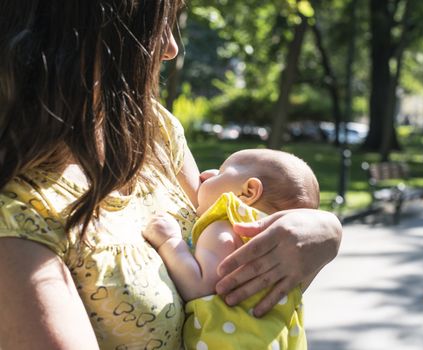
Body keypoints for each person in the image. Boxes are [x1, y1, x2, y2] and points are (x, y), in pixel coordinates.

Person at [0, 1, 343, 349]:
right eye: (156, 25)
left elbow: (250, 286)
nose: (170, 47)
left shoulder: (151, 130)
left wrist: (325, 231)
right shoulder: (19, 214)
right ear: (84, 33)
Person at [143, 148, 319, 349]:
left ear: (248, 191)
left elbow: (201, 287)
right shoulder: (278, 246)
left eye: (221, 171)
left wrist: (169, 241)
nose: (205, 175)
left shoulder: (228, 226)